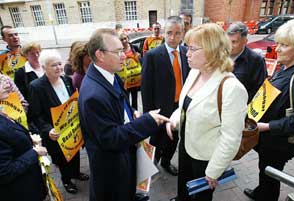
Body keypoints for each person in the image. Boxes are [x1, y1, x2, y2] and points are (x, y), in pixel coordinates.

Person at [78, 28, 170, 201]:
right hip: (112, 170)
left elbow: (121, 105)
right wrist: (147, 121)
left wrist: (131, 112)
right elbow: (111, 137)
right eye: (118, 51)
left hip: (123, 158)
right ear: (100, 55)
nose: (124, 55)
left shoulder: (110, 75)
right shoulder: (93, 95)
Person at [166, 23, 248, 201]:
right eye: (187, 47)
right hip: (186, 146)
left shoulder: (231, 88)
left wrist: (213, 172)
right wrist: (174, 119)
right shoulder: (195, 71)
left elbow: (231, 137)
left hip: (206, 158)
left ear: (212, 51)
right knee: (184, 189)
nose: (187, 53)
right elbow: (186, 105)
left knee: (201, 196)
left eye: (192, 49)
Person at [243, 18, 294, 201]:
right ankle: (261, 192)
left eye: (284, 45)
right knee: (265, 170)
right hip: (268, 138)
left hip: (279, 142)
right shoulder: (286, 67)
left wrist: (265, 126)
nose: (277, 49)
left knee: (271, 173)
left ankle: (265, 196)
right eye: (278, 43)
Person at [29, 49, 89, 194]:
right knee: (61, 159)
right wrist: (48, 130)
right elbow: (35, 115)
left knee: (74, 153)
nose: (58, 68)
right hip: (54, 133)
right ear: (44, 68)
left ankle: (75, 173)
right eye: (53, 65)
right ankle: (66, 180)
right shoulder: (36, 86)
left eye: (59, 64)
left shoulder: (67, 80)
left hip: (72, 128)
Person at [141, 16, 189, 176]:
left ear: (183, 33)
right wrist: (149, 114)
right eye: (169, 33)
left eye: (177, 33)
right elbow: (146, 88)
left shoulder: (187, 52)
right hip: (160, 109)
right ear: (163, 33)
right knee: (156, 140)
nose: (173, 37)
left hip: (180, 106)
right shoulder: (152, 56)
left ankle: (166, 162)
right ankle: (151, 166)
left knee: (174, 139)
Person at [0, 80, 48, 201]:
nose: (7, 84)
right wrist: (34, 152)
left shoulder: (2, 111)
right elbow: (5, 172)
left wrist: (28, 140)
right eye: (0, 82)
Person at [226, 22, 267, 102]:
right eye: (227, 41)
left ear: (245, 41)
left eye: (234, 42)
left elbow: (259, 90)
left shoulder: (256, 60)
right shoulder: (220, 56)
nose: (229, 45)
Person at [118, 32, 141, 109]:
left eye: (125, 38)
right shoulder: (118, 51)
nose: (124, 41)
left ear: (128, 38)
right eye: (121, 39)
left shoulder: (134, 48)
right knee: (126, 100)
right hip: (125, 82)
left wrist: (139, 57)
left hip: (135, 81)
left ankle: (136, 116)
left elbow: (141, 60)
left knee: (135, 101)